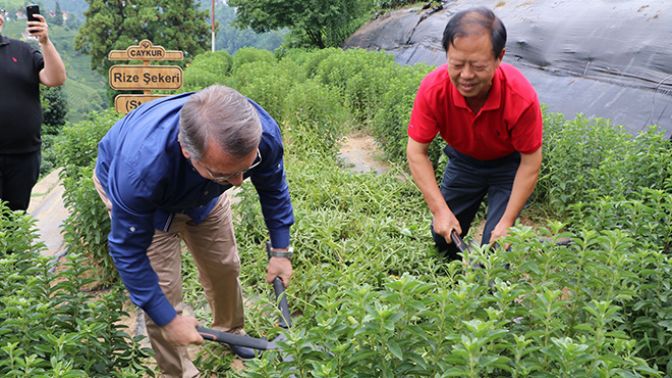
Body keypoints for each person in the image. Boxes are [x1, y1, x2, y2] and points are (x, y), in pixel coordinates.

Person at [93, 85, 295, 377]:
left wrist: (280, 251)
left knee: (224, 265)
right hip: (149, 205)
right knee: (163, 292)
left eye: (245, 168)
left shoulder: (260, 136)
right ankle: (179, 370)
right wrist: (167, 319)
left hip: (205, 194)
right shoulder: (139, 171)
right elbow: (128, 250)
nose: (238, 183)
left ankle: (231, 330)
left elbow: (273, 188)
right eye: (226, 174)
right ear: (188, 151)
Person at [406, 7, 543, 260]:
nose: (466, 76)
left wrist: (508, 221)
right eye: (457, 64)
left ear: (499, 57)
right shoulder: (434, 90)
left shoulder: (520, 97)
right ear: (446, 53)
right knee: (443, 237)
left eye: (478, 66)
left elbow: (531, 163)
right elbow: (416, 152)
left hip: (508, 167)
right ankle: (452, 282)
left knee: (500, 246)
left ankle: (493, 294)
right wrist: (439, 210)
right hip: (464, 161)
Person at [0, 8, 66, 211]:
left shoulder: (24, 51)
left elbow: (55, 78)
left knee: (15, 218)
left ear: (1, 20)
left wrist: (45, 42)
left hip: (23, 155)